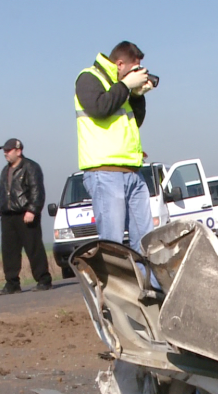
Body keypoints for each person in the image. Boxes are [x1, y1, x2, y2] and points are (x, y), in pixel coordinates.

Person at [74, 41, 154, 253]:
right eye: (134, 69)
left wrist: (136, 95)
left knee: (146, 241)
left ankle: (149, 285)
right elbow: (99, 108)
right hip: (105, 173)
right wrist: (126, 86)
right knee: (113, 243)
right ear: (120, 64)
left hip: (133, 171)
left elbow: (135, 121)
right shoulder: (89, 78)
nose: (138, 73)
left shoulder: (121, 88)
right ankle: (113, 287)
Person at [0, 138, 52, 295]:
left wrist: (33, 210)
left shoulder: (31, 167)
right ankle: (12, 283)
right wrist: (1, 210)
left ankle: (43, 280)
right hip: (8, 215)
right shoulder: (4, 170)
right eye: (4, 151)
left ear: (18, 151)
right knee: (9, 252)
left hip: (25, 213)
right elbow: (3, 192)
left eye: (8, 150)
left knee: (33, 248)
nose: (5, 153)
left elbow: (37, 191)